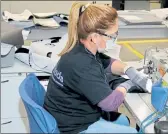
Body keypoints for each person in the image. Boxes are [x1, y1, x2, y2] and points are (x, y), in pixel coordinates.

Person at [44, 2, 152, 133]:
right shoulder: (83, 65)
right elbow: (109, 104)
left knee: (125, 121)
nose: (115, 39)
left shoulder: (80, 48)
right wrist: (127, 85)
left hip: (71, 116)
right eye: (112, 35)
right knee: (134, 131)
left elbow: (108, 63)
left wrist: (128, 70)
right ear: (95, 37)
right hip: (74, 127)